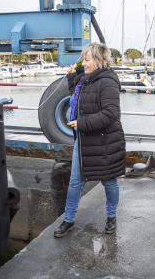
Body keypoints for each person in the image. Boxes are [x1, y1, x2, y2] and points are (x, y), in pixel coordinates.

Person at [54, 42, 126, 238]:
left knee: (109, 181)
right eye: (82, 59)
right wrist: (71, 76)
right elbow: (78, 98)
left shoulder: (108, 81)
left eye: (86, 59)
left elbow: (112, 113)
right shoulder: (84, 79)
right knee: (75, 181)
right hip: (84, 141)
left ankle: (111, 217)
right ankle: (68, 219)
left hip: (105, 142)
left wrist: (83, 123)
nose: (82, 63)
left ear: (99, 60)